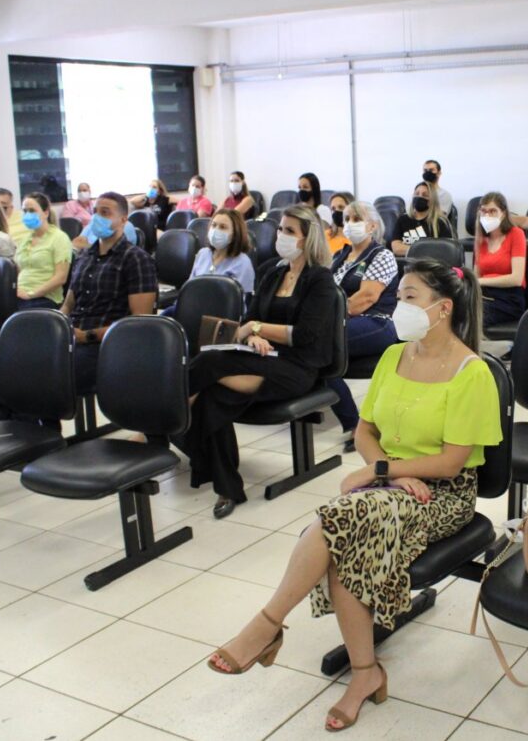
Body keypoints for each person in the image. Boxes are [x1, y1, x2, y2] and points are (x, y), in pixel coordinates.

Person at [204, 259, 501, 733]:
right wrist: (386, 475)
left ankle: (268, 626)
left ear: (442, 309)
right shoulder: (393, 356)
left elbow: (449, 463)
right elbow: (364, 431)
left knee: (339, 523)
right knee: (346, 538)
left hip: (442, 495)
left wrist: (382, 471)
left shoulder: (472, 372)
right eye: (399, 295)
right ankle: (364, 673)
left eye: (409, 298)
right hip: (392, 484)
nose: (398, 306)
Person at [173, 204, 335, 518]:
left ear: (307, 239)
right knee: (212, 397)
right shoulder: (273, 272)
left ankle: (166, 419)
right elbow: (248, 321)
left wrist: (258, 329)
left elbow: (304, 335)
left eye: (290, 231)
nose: (282, 235)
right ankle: (227, 489)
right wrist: (250, 336)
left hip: (298, 367)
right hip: (261, 356)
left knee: (209, 365)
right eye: (280, 229)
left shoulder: (320, 280)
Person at [60, 192, 157, 395]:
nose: (97, 218)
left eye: (105, 213)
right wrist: (58, 327)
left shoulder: (136, 259)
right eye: (95, 212)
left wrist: (86, 336)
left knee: (51, 377)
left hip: (106, 345)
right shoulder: (85, 257)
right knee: (26, 367)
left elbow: (138, 321)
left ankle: (39, 423)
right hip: (72, 338)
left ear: (123, 219)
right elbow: (68, 305)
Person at [327, 201, 400, 452]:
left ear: (372, 225)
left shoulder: (382, 255)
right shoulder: (340, 256)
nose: (349, 224)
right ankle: (355, 424)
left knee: (321, 346)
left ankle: (355, 427)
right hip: (340, 324)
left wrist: (325, 318)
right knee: (319, 352)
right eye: (346, 219)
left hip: (376, 322)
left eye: (356, 218)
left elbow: (365, 299)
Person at [474, 191, 527, 327]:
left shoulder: (516, 234)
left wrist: (481, 281)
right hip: (484, 295)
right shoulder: (481, 239)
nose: (487, 215)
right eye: (484, 211)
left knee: (472, 316)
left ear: (503, 213)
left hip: (508, 299)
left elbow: (516, 278)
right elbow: (475, 276)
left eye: (493, 211)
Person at [13, 193, 73, 311]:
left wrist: (31, 294)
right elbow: (19, 270)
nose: (27, 215)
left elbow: (61, 277)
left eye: (32, 211)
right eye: (25, 211)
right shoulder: (25, 239)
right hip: (20, 294)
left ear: (46, 213)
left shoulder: (59, 237)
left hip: (44, 297)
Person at [188, 209, 255, 292]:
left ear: (235, 234)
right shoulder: (202, 253)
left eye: (223, 227)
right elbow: (189, 288)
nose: (215, 230)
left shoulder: (242, 262)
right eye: (213, 225)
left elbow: (240, 298)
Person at [390, 181, 453, 256]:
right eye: (416, 194)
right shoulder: (403, 219)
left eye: (425, 195)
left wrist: (408, 249)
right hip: (405, 264)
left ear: (432, 200)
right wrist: (424, 250)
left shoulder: (441, 222)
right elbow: (396, 249)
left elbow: (443, 250)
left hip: (429, 265)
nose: (419, 197)